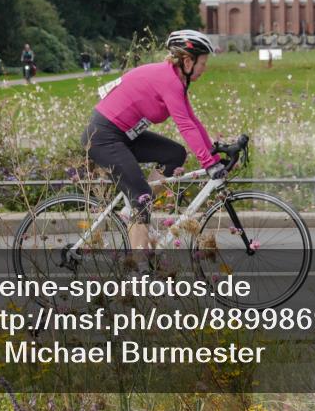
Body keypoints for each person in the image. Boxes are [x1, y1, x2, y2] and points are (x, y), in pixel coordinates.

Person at [82, 30, 223, 250]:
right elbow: (184, 126)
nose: (205, 69)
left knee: (174, 155)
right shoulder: (169, 81)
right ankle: (138, 274)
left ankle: (134, 210)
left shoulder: (176, 80)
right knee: (141, 197)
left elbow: (192, 120)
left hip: (125, 135)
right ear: (188, 61)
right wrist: (209, 164)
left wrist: (213, 155)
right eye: (203, 63)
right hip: (103, 137)